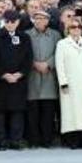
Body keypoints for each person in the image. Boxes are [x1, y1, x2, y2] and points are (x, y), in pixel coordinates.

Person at [0, 10, 32, 150]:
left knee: (17, 111)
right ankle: (0, 140)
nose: (10, 24)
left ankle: (16, 140)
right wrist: (3, 74)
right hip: (0, 80)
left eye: (13, 21)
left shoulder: (24, 37)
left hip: (19, 80)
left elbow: (28, 58)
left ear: (18, 22)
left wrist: (20, 74)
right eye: (7, 21)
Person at [55, 19, 82, 149]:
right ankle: (72, 140)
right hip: (70, 84)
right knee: (70, 112)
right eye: (73, 27)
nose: (76, 29)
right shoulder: (62, 44)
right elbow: (59, 64)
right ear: (68, 29)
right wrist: (63, 82)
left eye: (79, 27)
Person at [25, 10, 60, 148]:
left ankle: (47, 140)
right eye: (36, 18)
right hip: (32, 76)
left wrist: (48, 64)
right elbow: (24, 53)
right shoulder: (27, 35)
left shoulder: (55, 35)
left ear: (47, 20)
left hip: (49, 76)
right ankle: (33, 141)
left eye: (42, 18)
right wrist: (34, 63)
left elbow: (59, 52)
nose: (39, 20)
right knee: (33, 112)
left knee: (48, 111)